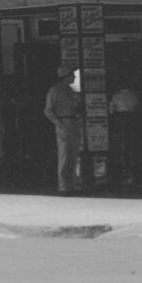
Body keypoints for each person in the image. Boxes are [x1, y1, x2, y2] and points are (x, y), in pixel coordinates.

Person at [45, 66, 85, 194]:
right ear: (65, 76)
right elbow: (48, 110)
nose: (74, 77)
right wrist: (59, 123)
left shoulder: (70, 90)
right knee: (65, 155)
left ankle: (72, 184)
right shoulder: (54, 90)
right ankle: (64, 186)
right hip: (64, 122)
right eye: (71, 75)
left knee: (74, 155)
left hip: (73, 122)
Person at [108, 83, 141, 188]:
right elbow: (135, 108)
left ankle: (122, 174)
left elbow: (111, 110)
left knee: (119, 148)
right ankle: (132, 175)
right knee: (131, 148)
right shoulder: (133, 95)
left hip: (119, 122)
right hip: (131, 122)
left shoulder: (116, 96)